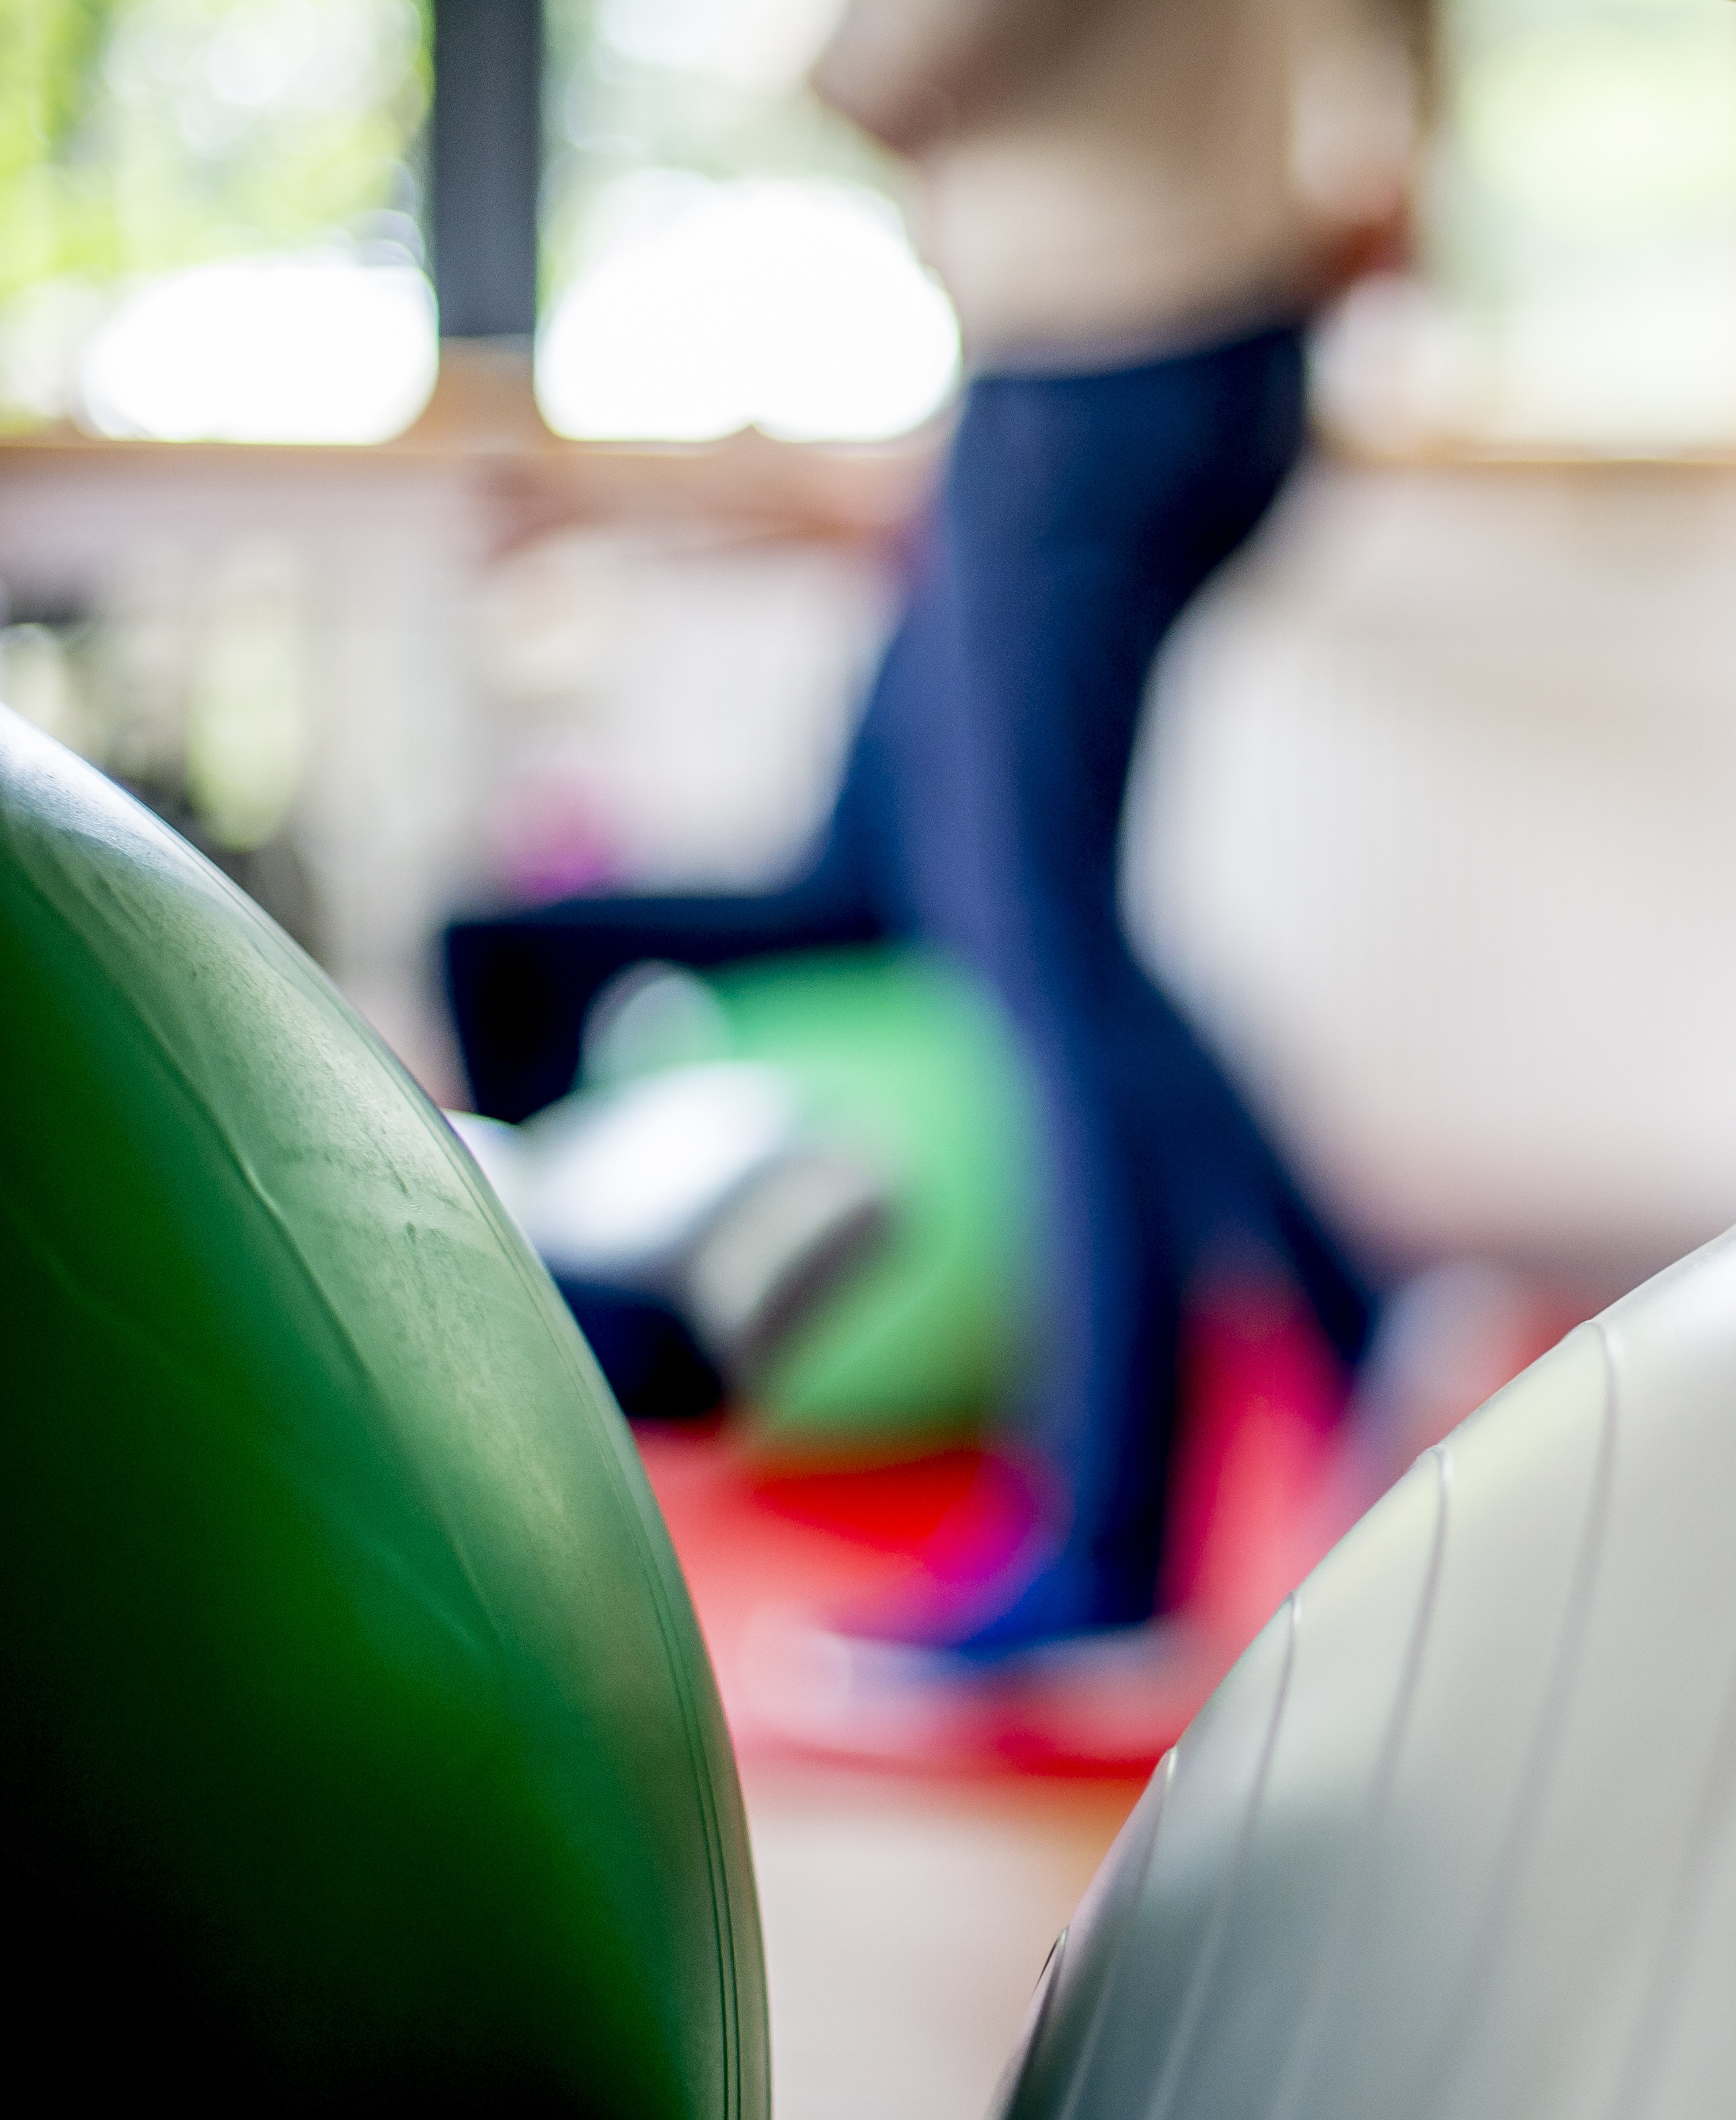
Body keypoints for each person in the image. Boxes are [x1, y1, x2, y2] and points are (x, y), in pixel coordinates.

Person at [443, 0, 1427, 1663]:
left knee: (1043, 941)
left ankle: (1114, 1553)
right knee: (896, 876)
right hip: (1138, 361)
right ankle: (1357, 1316)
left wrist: (852, 67)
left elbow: (901, 58)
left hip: (1104, 364)